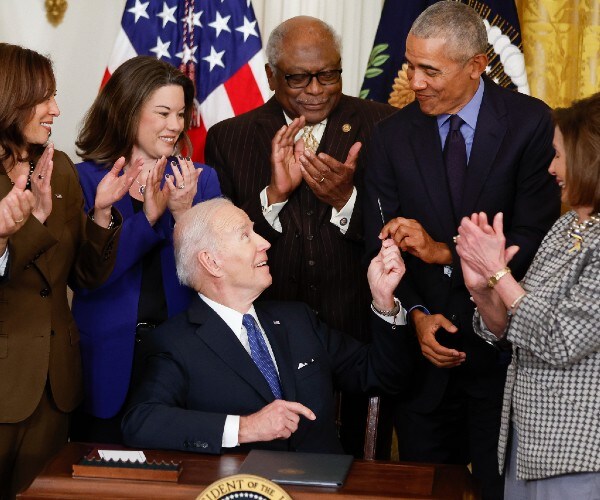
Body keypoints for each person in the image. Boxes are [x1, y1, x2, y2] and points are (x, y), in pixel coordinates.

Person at [363, 2, 560, 498]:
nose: (415, 82)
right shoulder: (389, 135)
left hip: (506, 365)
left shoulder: (531, 124)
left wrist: (447, 253)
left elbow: (535, 235)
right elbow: (381, 243)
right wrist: (418, 315)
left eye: (430, 70)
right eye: (410, 66)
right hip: (424, 369)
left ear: (476, 65)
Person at [204, 15, 395, 457]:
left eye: (328, 74)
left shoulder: (384, 126)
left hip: (359, 339)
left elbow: (402, 231)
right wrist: (272, 195)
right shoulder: (229, 138)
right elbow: (220, 249)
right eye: (299, 77)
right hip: (267, 348)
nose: (316, 88)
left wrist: (347, 201)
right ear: (271, 75)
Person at [122, 198, 415, 454]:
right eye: (245, 236)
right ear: (212, 262)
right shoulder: (175, 343)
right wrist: (245, 428)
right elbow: (141, 422)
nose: (265, 243)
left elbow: (384, 376)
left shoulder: (298, 320)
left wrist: (383, 301)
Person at [0, 43, 140, 499]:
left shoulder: (58, 167)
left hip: (55, 387)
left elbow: (84, 277)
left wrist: (100, 216)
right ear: (9, 97)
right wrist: (9, 234)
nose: (56, 109)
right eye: (43, 98)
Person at [69, 56, 221, 444]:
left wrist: (184, 216)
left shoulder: (200, 181)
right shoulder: (83, 181)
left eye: (181, 114)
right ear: (127, 110)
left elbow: (217, 280)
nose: (175, 125)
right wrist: (147, 220)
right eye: (163, 112)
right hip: (103, 362)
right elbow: (88, 279)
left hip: (178, 360)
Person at [455, 92, 600, 499]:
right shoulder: (565, 226)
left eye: (558, 155)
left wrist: (499, 273)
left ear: (590, 158)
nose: (551, 168)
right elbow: (512, 328)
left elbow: (559, 339)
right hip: (527, 443)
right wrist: (481, 288)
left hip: (581, 451)